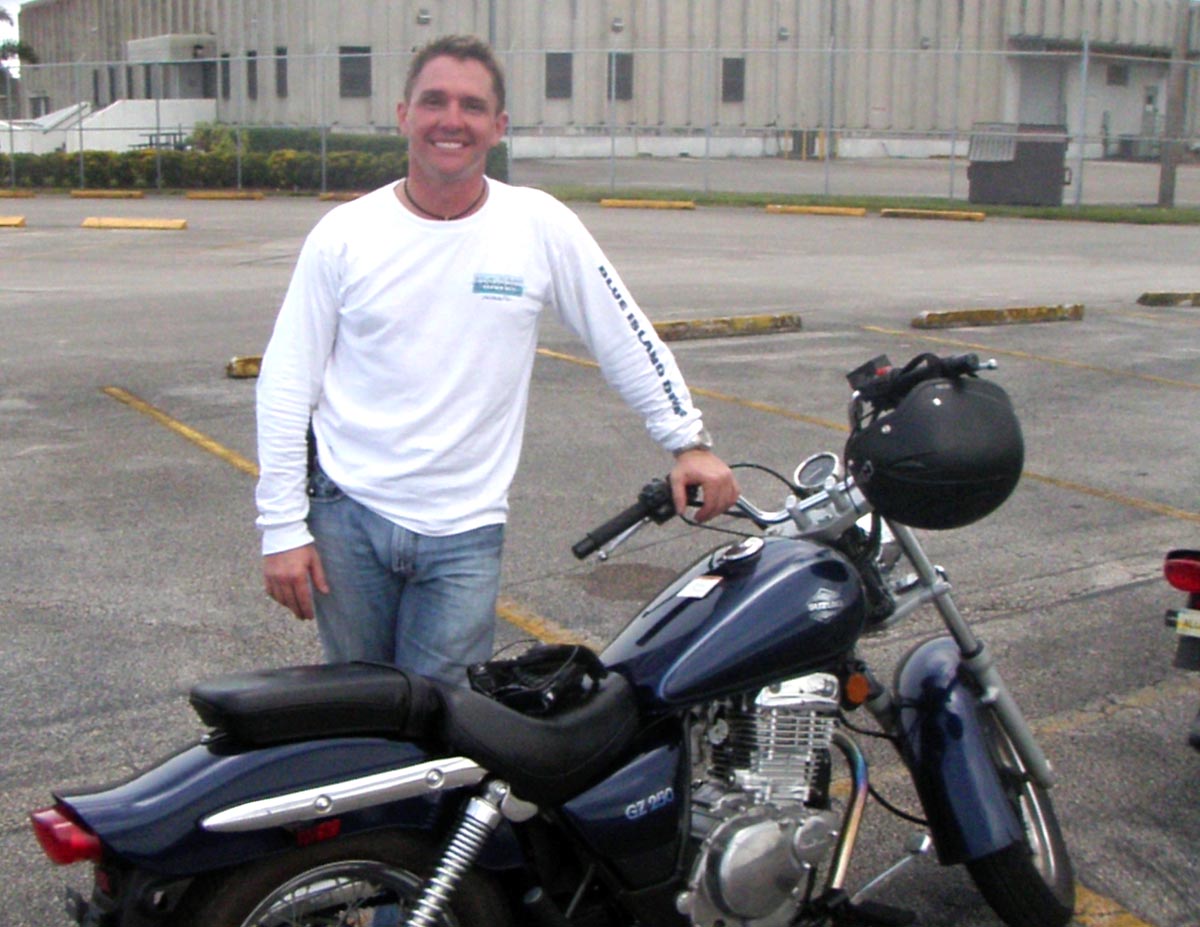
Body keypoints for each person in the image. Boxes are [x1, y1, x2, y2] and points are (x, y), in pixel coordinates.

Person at [255, 34, 740, 684]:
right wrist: (283, 527)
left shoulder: (538, 225)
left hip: (466, 530)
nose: (451, 120)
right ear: (403, 115)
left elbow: (623, 333)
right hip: (349, 516)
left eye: (472, 106)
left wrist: (688, 441)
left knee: (449, 719)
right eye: (434, 101)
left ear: (498, 125)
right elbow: (287, 382)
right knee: (359, 710)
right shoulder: (345, 236)